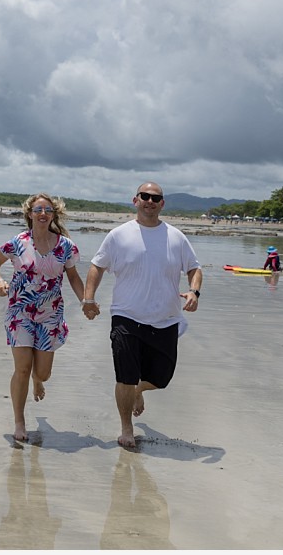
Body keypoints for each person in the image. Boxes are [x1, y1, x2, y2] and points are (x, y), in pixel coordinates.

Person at [82, 182, 202, 448]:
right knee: (125, 375)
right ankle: (127, 429)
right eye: (145, 196)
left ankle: (139, 390)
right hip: (126, 316)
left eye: (155, 198)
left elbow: (194, 269)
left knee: (161, 379)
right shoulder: (118, 235)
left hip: (166, 319)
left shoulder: (176, 237)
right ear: (135, 200)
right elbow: (96, 266)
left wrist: (194, 292)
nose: (150, 201)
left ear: (162, 203)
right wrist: (88, 299)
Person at [0, 193, 85, 442]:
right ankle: (19, 422)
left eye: (48, 210)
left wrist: (87, 301)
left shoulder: (65, 246)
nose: (43, 214)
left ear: (54, 215)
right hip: (19, 313)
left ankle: (37, 380)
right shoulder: (17, 242)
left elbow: (73, 277)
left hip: (50, 316)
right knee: (21, 368)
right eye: (39, 209)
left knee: (42, 373)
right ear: (30, 213)